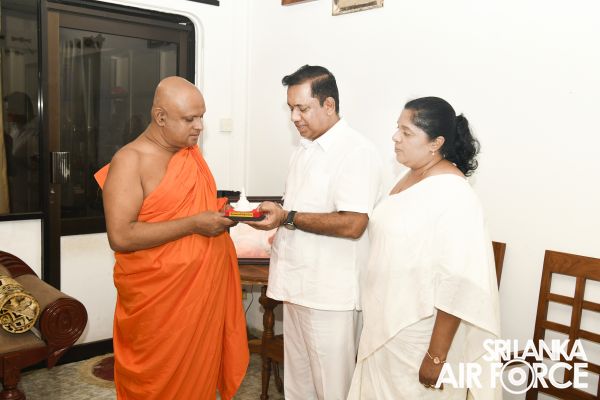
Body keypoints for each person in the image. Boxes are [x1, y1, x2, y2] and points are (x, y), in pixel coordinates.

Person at [94, 76, 249, 400]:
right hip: (159, 307)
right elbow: (121, 236)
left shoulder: (190, 155)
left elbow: (183, 208)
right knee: (156, 383)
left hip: (201, 299)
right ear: (160, 117)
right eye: (189, 119)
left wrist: (224, 214)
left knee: (197, 381)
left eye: (201, 116)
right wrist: (194, 223)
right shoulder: (130, 160)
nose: (199, 126)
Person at [347, 97, 501, 399]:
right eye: (398, 128)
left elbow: (459, 282)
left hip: (420, 335)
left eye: (406, 132)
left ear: (436, 143)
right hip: (385, 326)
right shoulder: (409, 175)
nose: (395, 137)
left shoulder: (455, 195)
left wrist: (436, 356)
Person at [248, 65, 383, 400]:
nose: (294, 117)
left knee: (332, 389)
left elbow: (353, 223)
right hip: (296, 286)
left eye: (302, 108)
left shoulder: (356, 151)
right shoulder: (303, 150)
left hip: (329, 296)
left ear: (329, 105)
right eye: (290, 108)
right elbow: (298, 213)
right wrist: (277, 219)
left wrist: (287, 217)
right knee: (299, 387)